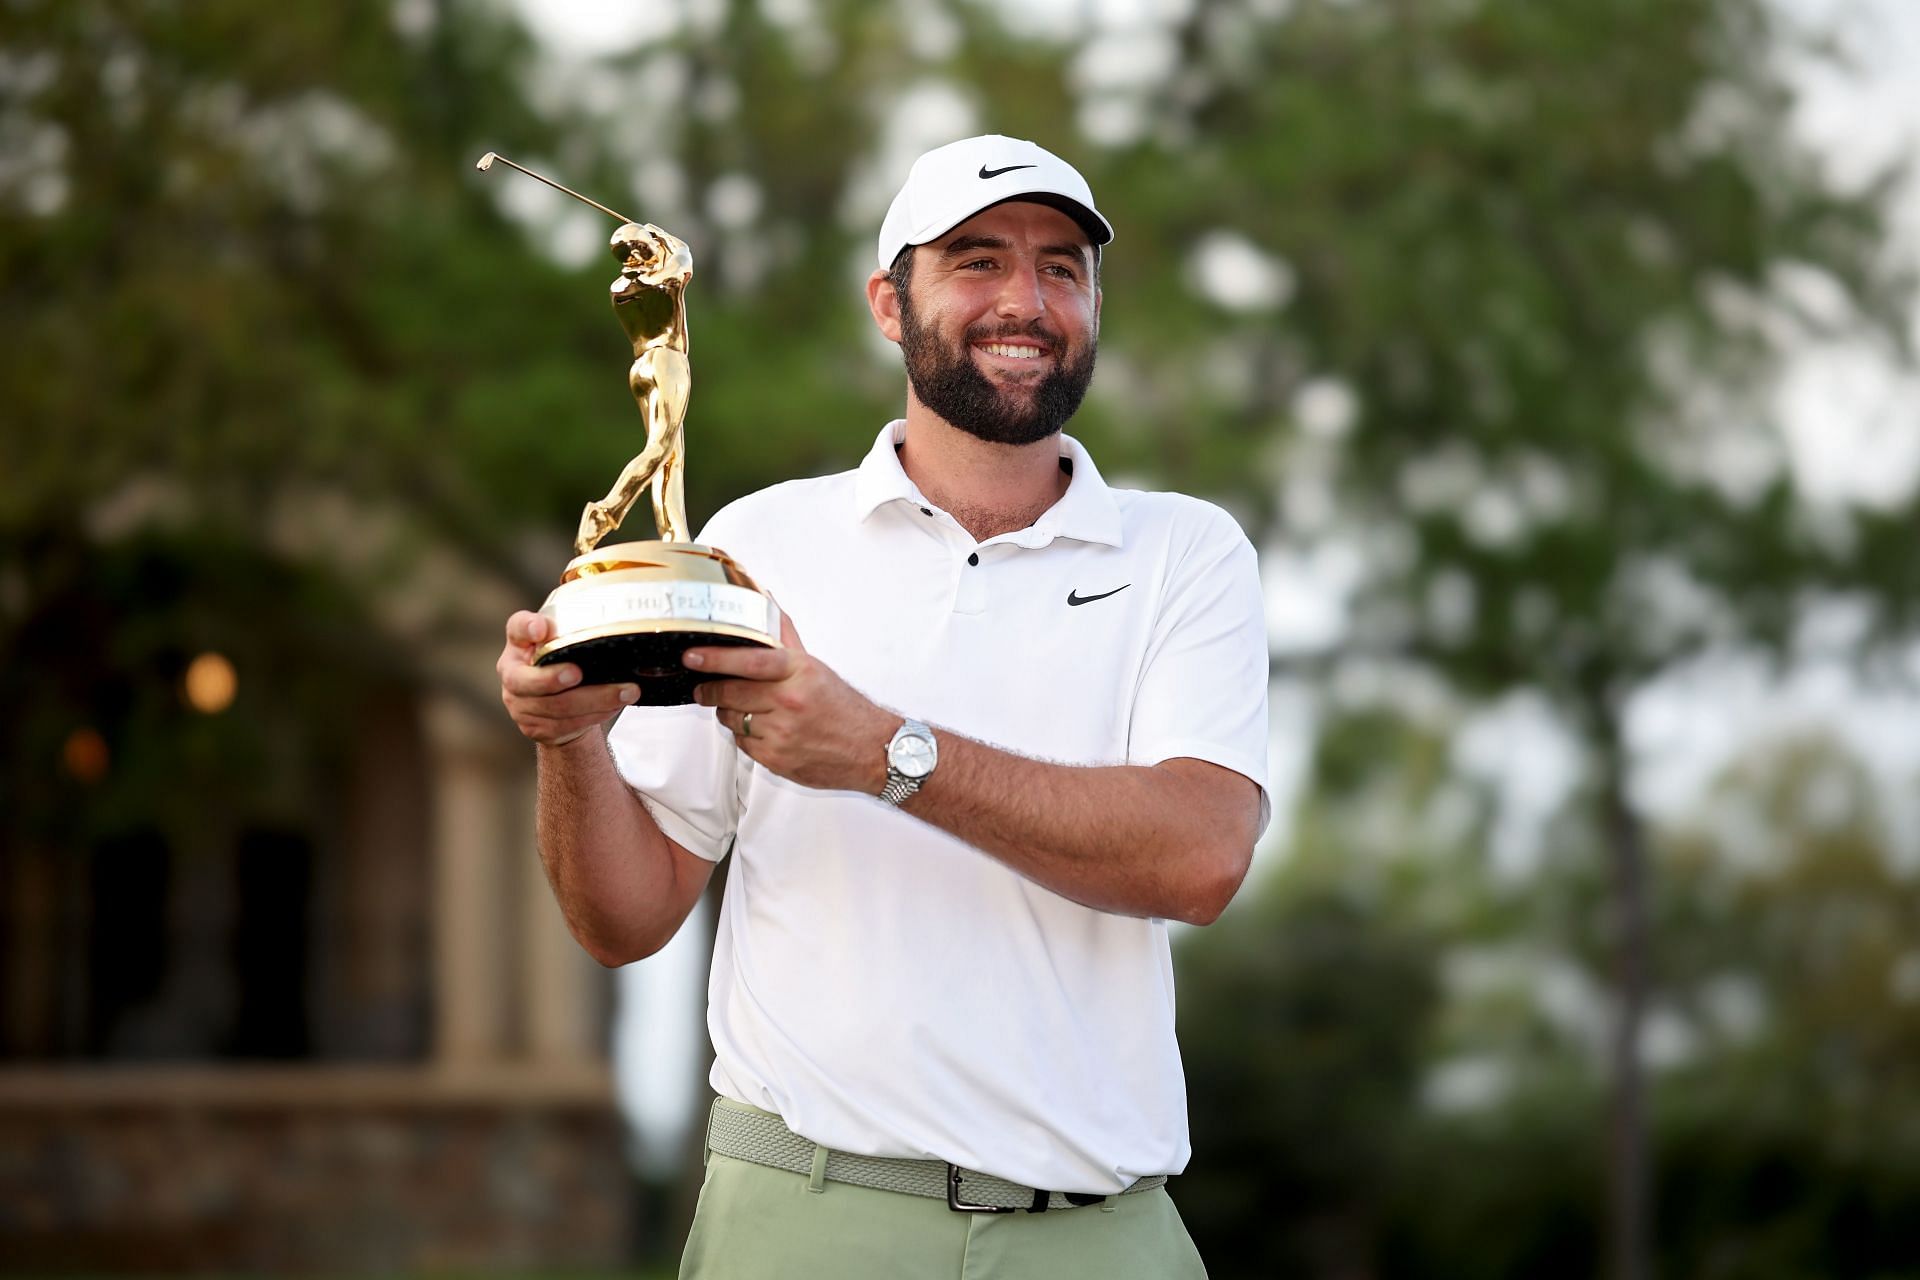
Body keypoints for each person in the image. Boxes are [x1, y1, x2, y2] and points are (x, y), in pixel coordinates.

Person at [498, 134, 1270, 1279]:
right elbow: (624, 919)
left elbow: (1201, 855)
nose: (1027, 299)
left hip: (1100, 1233)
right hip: (808, 1217)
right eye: (976, 260)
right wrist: (570, 745)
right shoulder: (754, 544)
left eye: (1063, 267)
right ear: (887, 302)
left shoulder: (1185, 552)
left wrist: (882, 752)